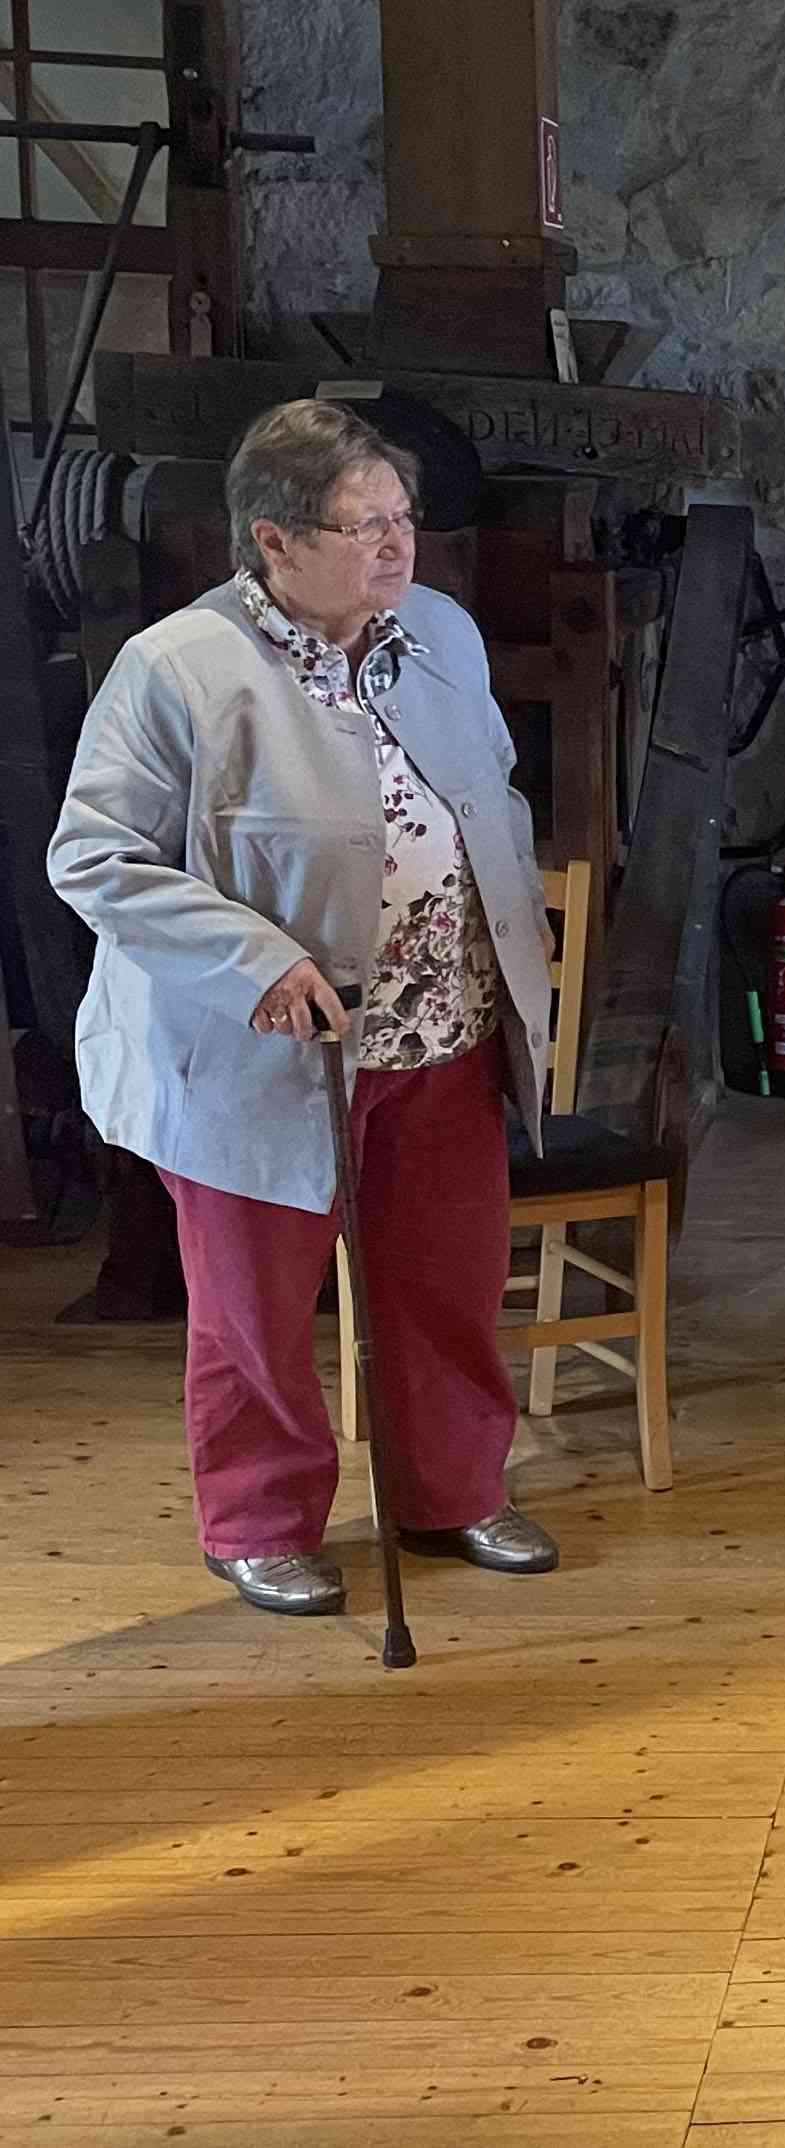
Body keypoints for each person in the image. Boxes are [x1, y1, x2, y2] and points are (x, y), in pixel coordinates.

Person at [48, 399, 561, 1616]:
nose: (398, 546)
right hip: (264, 1049)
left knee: (446, 1283)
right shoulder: (179, 666)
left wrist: (508, 924)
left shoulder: (439, 632)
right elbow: (96, 857)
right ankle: (260, 1523)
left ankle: (452, 1493)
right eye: (362, 526)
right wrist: (252, 962)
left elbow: (490, 790)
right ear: (273, 540)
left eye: (404, 519)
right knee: (255, 1312)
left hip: (442, 1029)